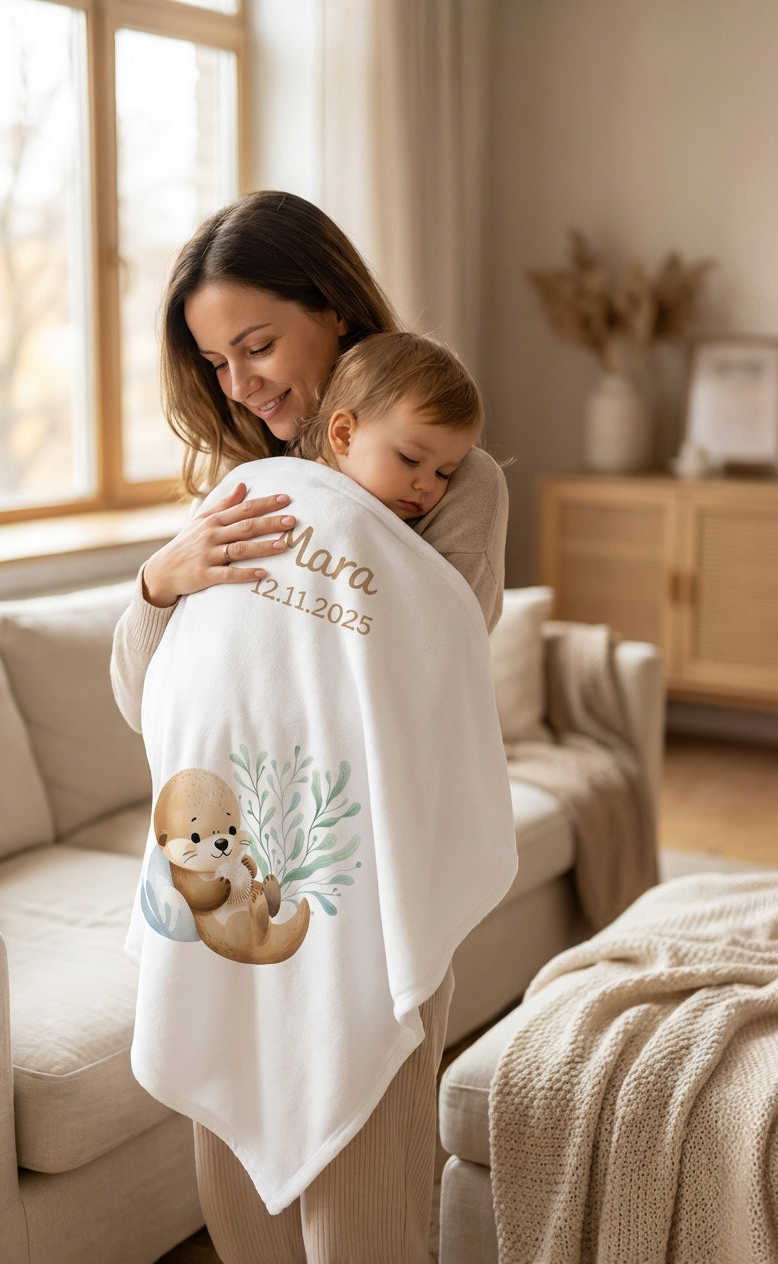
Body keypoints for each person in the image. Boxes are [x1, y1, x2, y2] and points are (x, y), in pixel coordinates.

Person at [113, 190, 507, 1263]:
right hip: (235, 892)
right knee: (241, 1200)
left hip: (365, 888)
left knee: (362, 1213)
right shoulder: (239, 489)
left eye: (256, 345)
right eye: (216, 364)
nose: (241, 384)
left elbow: (433, 664)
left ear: (333, 311)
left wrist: (354, 514)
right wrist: (161, 580)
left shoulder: (452, 481)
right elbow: (145, 698)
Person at [288, 329, 483, 525]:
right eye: (410, 458)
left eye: (443, 474)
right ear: (344, 434)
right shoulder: (288, 495)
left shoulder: (416, 534)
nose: (427, 485)